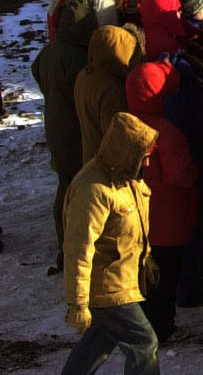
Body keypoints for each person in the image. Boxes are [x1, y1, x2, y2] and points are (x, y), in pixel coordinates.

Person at [60, 112, 160, 375]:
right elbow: (78, 249)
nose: (148, 163)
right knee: (143, 342)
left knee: (99, 343)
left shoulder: (126, 178)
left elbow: (131, 229)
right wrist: (78, 303)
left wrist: (145, 260)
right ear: (127, 152)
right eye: (145, 156)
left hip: (119, 279)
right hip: (106, 286)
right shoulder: (93, 189)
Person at [124, 62, 198, 345]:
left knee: (138, 278)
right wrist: (196, 172)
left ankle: (139, 326)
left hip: (133, 219)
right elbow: (179, 176)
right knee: (165, 279)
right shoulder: (165, 131)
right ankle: (162, 328)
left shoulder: (121, 125)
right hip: (166, 219)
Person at [34, 0, 98, 267]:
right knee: (76, 190)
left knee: (64, 185)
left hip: (56, 126)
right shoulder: (77, 56)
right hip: (75, 129)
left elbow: (37, 72)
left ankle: (66, 247)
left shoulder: (49, 51)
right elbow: (84, 92)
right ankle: (73, 251)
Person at [76, 25, 140, 165]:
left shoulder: (85, 74)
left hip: (90, 157)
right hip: (107, 166)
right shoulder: (112, 89)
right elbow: (115, 137)